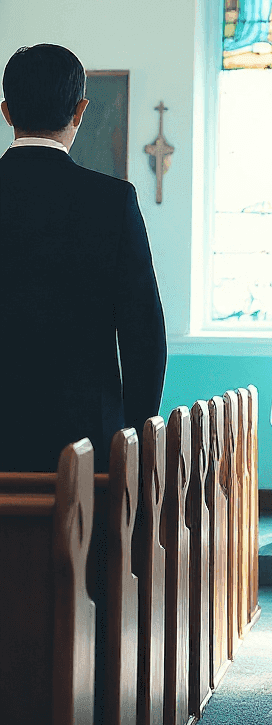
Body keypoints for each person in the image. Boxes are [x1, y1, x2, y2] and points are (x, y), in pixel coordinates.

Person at [0, 44, 167, 471]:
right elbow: (142, 331)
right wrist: (137, 435)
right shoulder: (111, 202)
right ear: (80, 111)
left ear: (6, 112)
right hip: (85, 438)